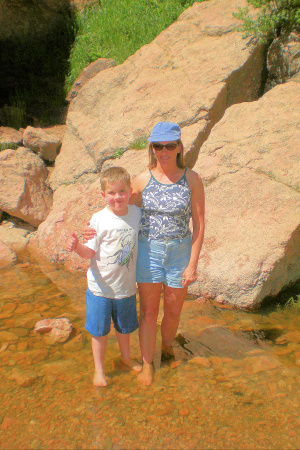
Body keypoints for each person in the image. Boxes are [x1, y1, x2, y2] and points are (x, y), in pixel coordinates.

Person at [83, 121, 205, 386]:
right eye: (158, 146)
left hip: (180, 252)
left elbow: (200, 224)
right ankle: (148, 363)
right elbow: (118, 208)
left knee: (173, 311)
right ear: (152, 148)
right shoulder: (142, 179)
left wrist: (193, 263)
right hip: (149, 251)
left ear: (179, 147)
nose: (163, 150)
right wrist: (94, 230)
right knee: (149, 312)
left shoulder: (192, 179)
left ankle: (168, 348)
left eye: (169, 145)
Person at [66, 167, 142, 387]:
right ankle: (99, 370)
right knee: (99, 331)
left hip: (126, 288)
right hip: (100, 288)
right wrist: (76, 246)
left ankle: (126, 358)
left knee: (124, 328)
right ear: (103, 195)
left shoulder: (137, 214)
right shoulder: (98, 219)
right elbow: (88, 253)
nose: (117, 197)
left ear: (130, 192)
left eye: (121, 191)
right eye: (111, 192)